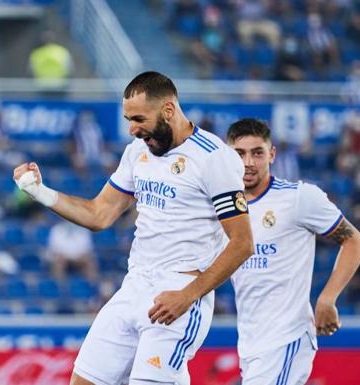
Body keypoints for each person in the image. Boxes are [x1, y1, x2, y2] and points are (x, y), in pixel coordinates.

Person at [14, 71, 254, 385]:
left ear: (168, 110)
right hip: (134, 287)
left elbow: (242, 243)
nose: (132, 129)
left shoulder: (213, 159)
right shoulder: (137, 152)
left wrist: (187, 296)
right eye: (128, 119)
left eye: (139, 119)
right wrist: (40, 193)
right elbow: (99, 214)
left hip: (177, 294)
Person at [226, 118, 360, 385]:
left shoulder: (299, 198)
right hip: (251, 342)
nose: (248, 162)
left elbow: (354, 241)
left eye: (257, 152)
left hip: (287, 338)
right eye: (240, 153)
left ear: (272, 154)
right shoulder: (224, 208)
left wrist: (328, 297)